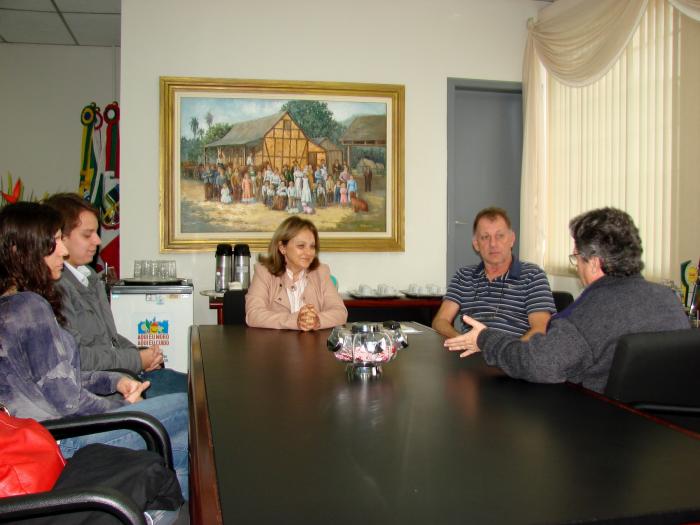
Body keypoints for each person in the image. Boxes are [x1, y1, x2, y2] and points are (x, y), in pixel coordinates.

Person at [0, 202, 189, 500]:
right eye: (53, 243)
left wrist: (114, 382)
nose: (62, 251)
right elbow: (68, 401)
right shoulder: (29, 308)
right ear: (22, 251)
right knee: (184, 406)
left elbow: (64, 378)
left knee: (180, 444)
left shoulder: (16, 305)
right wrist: (125, 409)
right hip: (64, 437)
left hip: (60, 430)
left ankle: (159, 512)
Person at [449, 207, 690, 394]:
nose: (577, 268)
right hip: (669, 435)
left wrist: (484, 338)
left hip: (603, 434)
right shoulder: (667, 299)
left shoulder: (589, 315)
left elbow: (537, 363)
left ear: (594, 263)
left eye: (578, 258)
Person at [44, 193, 187, 398]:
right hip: (106, 390)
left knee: (201, 385)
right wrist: (137, 359)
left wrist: (145, 354)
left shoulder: (89, 277)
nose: (98, 240)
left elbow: (111, 339)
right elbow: (79, 358)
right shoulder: (55, 288)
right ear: (59, 238)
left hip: (126, 374)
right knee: (197, 398)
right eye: (87, 234)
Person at [432, 207, 556, 339]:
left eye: (500, 236)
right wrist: (460, 341)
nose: (493, 244)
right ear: (476, 244)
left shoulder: (533, 276)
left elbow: (541, 329)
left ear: (511, 239)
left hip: (511, 355)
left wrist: (506, 352)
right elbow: (440, 321)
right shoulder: (463, 276)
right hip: (469, 356)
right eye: (485, 237)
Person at [245, 216, 347, 330]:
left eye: (312, 246)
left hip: (312, 346)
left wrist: (318, 320)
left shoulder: (321, 272)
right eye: (301, 246)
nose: (308, 252)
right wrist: (295, 321)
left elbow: (340, 312)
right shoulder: (264, 272)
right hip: (275, 345)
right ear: (282, 247)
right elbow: (253, 315)